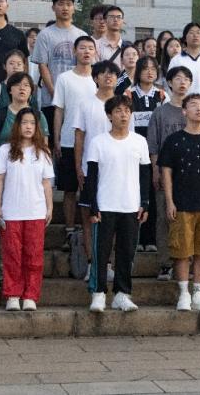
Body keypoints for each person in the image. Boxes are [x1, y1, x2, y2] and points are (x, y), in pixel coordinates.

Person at [82, 96, 152, 312]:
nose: (124, 115)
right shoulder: (98, 142)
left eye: (127, 111)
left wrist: (145, 202)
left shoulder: (139, 141)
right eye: (119, 111)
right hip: (105, 205)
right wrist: (93, 206)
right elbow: (91, 176)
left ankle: (122, 294)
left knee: (126, 252)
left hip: (131, 205)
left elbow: (145, 174)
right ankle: (98, 293)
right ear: (109, 115)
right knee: (101, 252)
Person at [161, 93, 200, 312]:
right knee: (181, 250)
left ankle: (198, 291)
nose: (199, 109)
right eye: (194, 105)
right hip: (182, 203)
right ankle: (183, 292)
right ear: (184, 111)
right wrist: (169, 201)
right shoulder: (173, 140)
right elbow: (166, 172)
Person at [0, 107, 54, 311]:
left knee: (34, 255)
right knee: (12, 255)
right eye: (24, 122)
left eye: (32, 123)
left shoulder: (42, 153)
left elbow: (46, 183)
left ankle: (30, 296)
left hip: (35, 210)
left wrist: (50, 207)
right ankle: (12, 294)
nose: (28, 127)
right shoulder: (5, 150)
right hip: (11, 211)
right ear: (17, 125)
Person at [73, 61, 125, 274]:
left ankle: (109, 264)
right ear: (95, 78)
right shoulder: (85, 104)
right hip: (91, 168)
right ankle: (91, 264)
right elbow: (79, 136)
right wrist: (79, 167)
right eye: (103, 73)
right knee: (88, 217)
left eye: (112, 73)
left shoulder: (124, 105)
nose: (108, 76)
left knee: (114, 219)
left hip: (117, 171)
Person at [52, 36, 98, 250]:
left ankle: (91, 232)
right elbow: (58, 110)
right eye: (82, 48)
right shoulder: (64, 78)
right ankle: (69, 230)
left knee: (92, 189)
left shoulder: (100, 78)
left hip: (95, 143)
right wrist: (57, 138)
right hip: (69, 140)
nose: (86, 52)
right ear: (74, 51)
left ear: (95, 52)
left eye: (90, 48)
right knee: (70, 189)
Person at [147, 66, 191, 281]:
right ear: (170, 83)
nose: (182, 82)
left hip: (190, 174)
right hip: (166, 172)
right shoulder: (160, 112)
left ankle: (185, 262)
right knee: (164, 218)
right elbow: (153, 144)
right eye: (178, 78)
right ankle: (165, 263)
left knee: (187, 219)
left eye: (186, 79)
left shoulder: (195, 109)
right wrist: (155, 170)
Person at [32, 0, 88, 148]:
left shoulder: (81, 34)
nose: (65, 8)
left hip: (77, 100)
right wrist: (55, 94)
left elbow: (87, 67)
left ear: (74, 8)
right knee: (51, 144)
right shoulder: (45, 35)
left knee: (77, 143)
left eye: (69, 4)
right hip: (51, 100)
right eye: (61, 4)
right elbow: (43, 66)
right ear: (53, 7)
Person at [125, 56, 165, 251]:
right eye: (145, 68)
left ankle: (151, 239)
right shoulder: (129, 94)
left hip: (155, 152)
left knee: (153, 194)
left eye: (153, 68)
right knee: (136, 192)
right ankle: (137, 238)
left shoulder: (162, 95)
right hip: (134, 152)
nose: (150, 72)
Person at [168, 22, 200, 93]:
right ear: (185, 38)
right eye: (191, 33)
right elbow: (170, 82)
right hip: (184, 99)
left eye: (198, 33)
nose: (195, 35)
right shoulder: (176, 60)